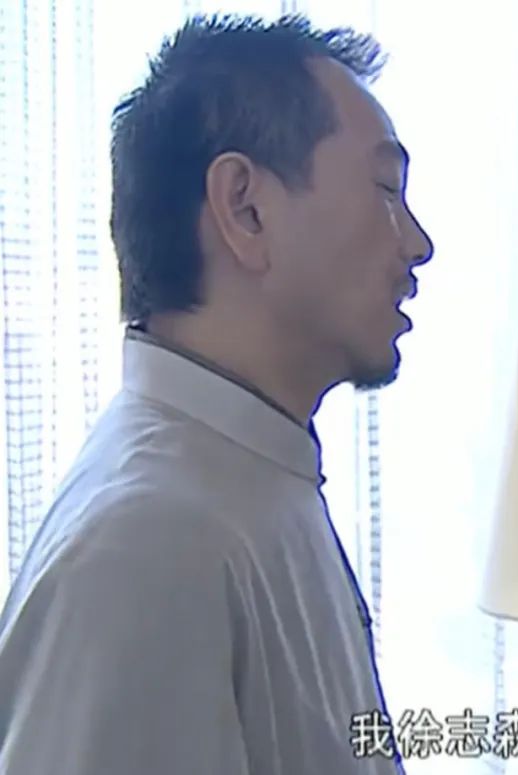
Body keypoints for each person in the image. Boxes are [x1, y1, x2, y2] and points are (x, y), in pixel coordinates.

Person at [0, 14, 431, 775]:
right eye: (385, 191)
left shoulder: (247, 478)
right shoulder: (148, 548)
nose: (417, 243)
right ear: (244, 209)